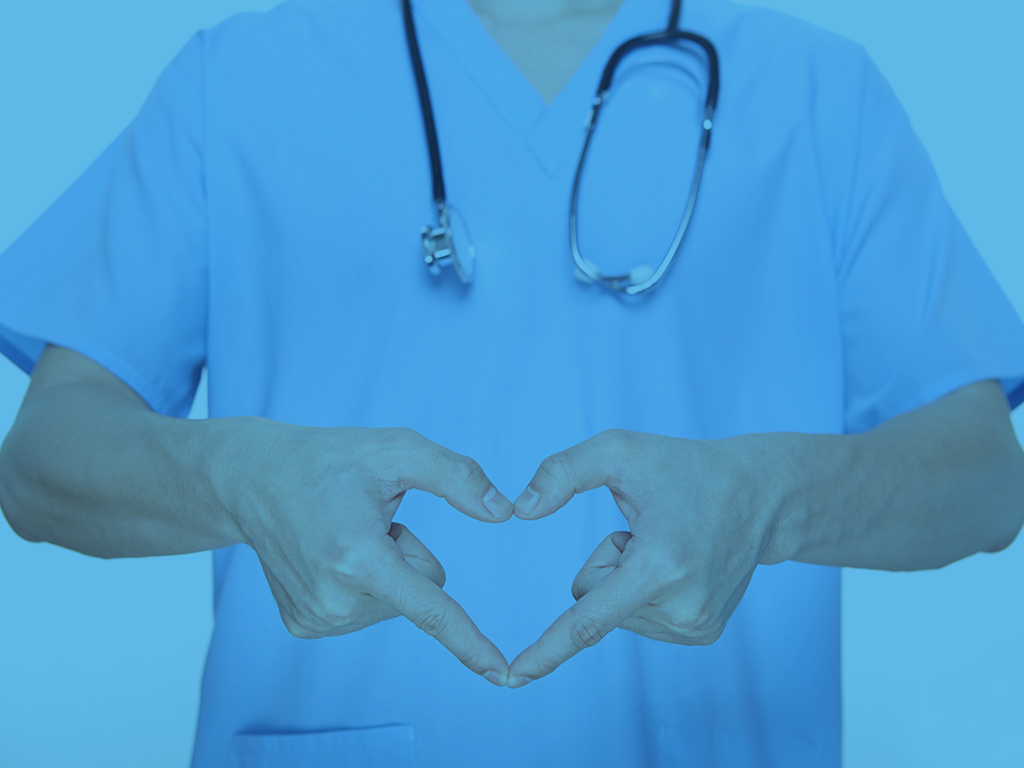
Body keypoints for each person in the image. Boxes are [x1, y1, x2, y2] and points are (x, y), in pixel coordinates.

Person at [1, 0, 1023, 765]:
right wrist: (235, 478)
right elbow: (42, 459)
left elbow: (984, 474)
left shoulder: (818, 93)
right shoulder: (237, 81)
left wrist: (772, 503)